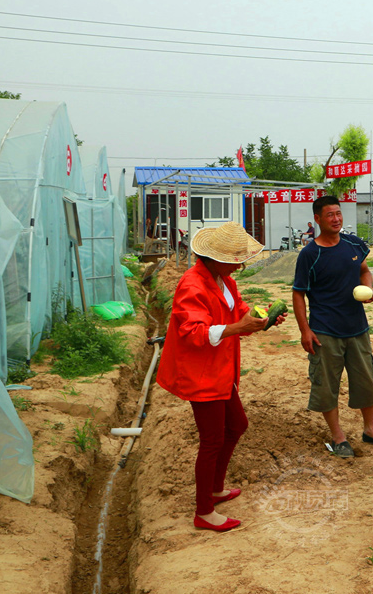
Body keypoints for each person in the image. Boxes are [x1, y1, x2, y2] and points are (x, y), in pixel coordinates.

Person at [156, 221, 285, 532]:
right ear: (214, 258)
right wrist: (238, 328)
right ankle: (203, 511)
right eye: (235, 260)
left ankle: (215, 489)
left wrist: (262, 318)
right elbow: (193, 332)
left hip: (221, 369)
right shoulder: (192, 285)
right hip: (202, 374)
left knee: (237, 425)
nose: (239, 266)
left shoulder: (222, 280)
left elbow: (239, 311)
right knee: (211, 439)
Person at [292, 195, 373, 459]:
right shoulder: (309, 254)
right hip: (325, 331)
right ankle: (339, 437)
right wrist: (305, 330)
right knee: (327, 386)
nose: (336, 219)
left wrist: (369, 288)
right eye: (330, 215)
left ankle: (370, 431)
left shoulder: (352, 243)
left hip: (357, 327)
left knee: (367, 381)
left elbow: (364, 270)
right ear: (317, 219)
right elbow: (298, 294)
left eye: (338, 213)